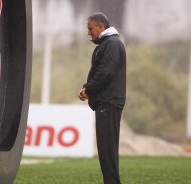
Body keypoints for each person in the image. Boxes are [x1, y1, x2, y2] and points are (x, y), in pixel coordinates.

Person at [78, 12, 126, 184]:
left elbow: (106, 73)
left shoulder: (112, 44)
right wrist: (88, 87)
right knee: (106, 150)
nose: (89, 32)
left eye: (90, 28)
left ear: (100, 26)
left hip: (108, 103)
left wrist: (88, 89)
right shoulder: (108, 44)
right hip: (107, 103)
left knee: (107, 150)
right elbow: (103, 72)